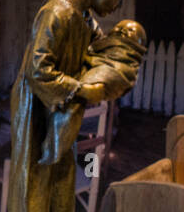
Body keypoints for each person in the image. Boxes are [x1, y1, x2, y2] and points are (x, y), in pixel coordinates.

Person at [7, 0, 138, 212]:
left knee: (63, 173)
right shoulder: (57, 12)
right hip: (36, 105)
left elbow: (98, 52)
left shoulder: (83, 19)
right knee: (34, 175)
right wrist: (81, 90)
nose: (117, 6)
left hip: (60, 107)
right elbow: (38, 70)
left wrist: (121, 57)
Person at [40, 18, 146, 165]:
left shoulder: (121, 65)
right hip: (95, 112)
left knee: (49, 117)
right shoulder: (100, 48)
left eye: (128, 31)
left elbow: (86, 89)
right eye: (119, 27)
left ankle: (87, 174)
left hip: (89, 116)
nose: (120, 30)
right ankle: (90, 174)